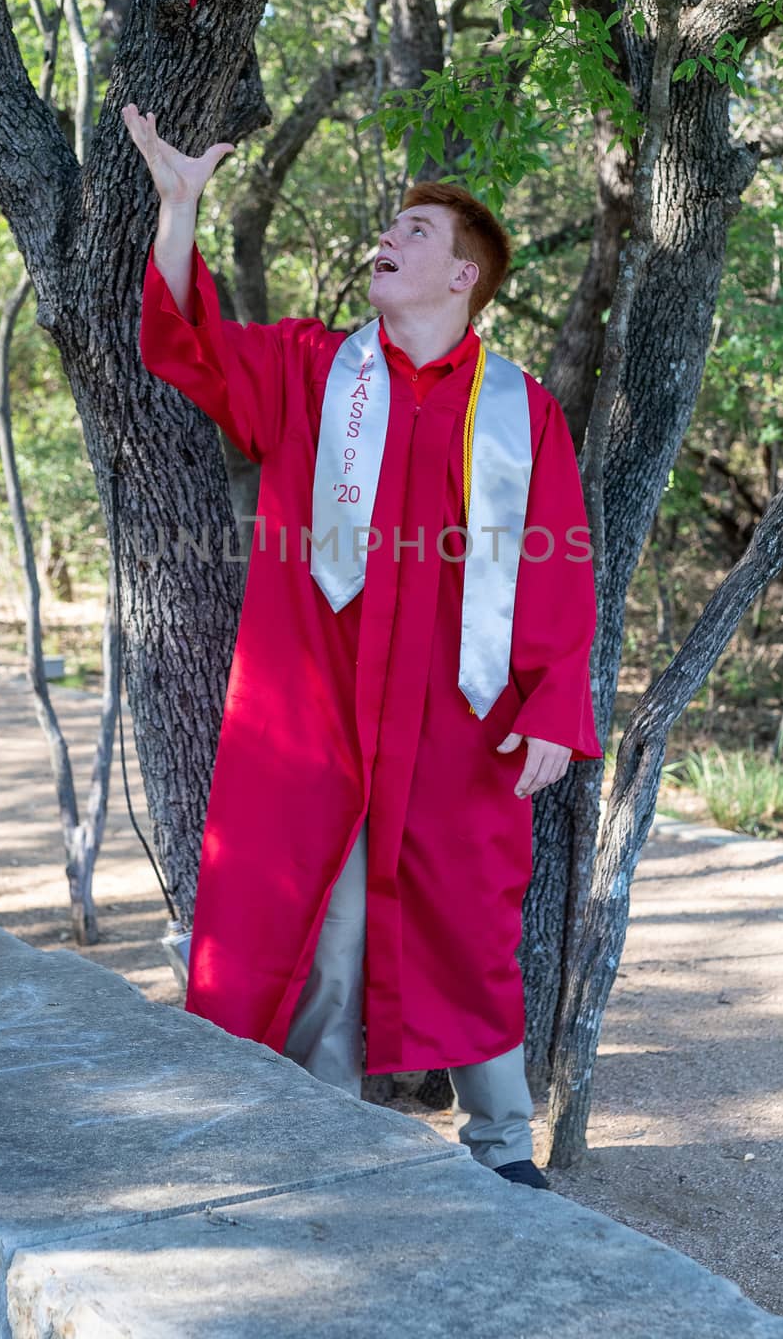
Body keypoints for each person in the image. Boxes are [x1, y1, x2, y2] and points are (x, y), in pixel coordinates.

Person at [125, 104, 601, 1191]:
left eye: (416, 231)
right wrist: (178, 206)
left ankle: (499, 1146)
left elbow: (554, 563)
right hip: (320, 706)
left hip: (457, 715)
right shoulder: (314, 371)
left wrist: (551, 704)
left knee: (466, 921)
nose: (387, 239)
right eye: (387, 226)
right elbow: (188, 343)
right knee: (319, 927)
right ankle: (314, 1143)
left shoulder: (520, 413)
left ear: (464, 276)